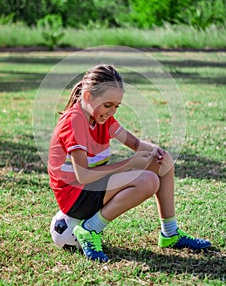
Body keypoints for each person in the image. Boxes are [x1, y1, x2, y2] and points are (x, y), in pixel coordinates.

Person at [48, 64, 211, 262]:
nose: (111, 111)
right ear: (88, 96)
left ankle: (170, 233)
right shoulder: (75, 122)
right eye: (108, 105)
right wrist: (129, 164)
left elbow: (134, 143)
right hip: (76, 196)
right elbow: (83, 175)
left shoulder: (101, 118)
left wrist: (156, 152)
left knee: (164, 162)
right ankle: (90, 229)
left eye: (116, 106)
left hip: (94, 185)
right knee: (147, 181)